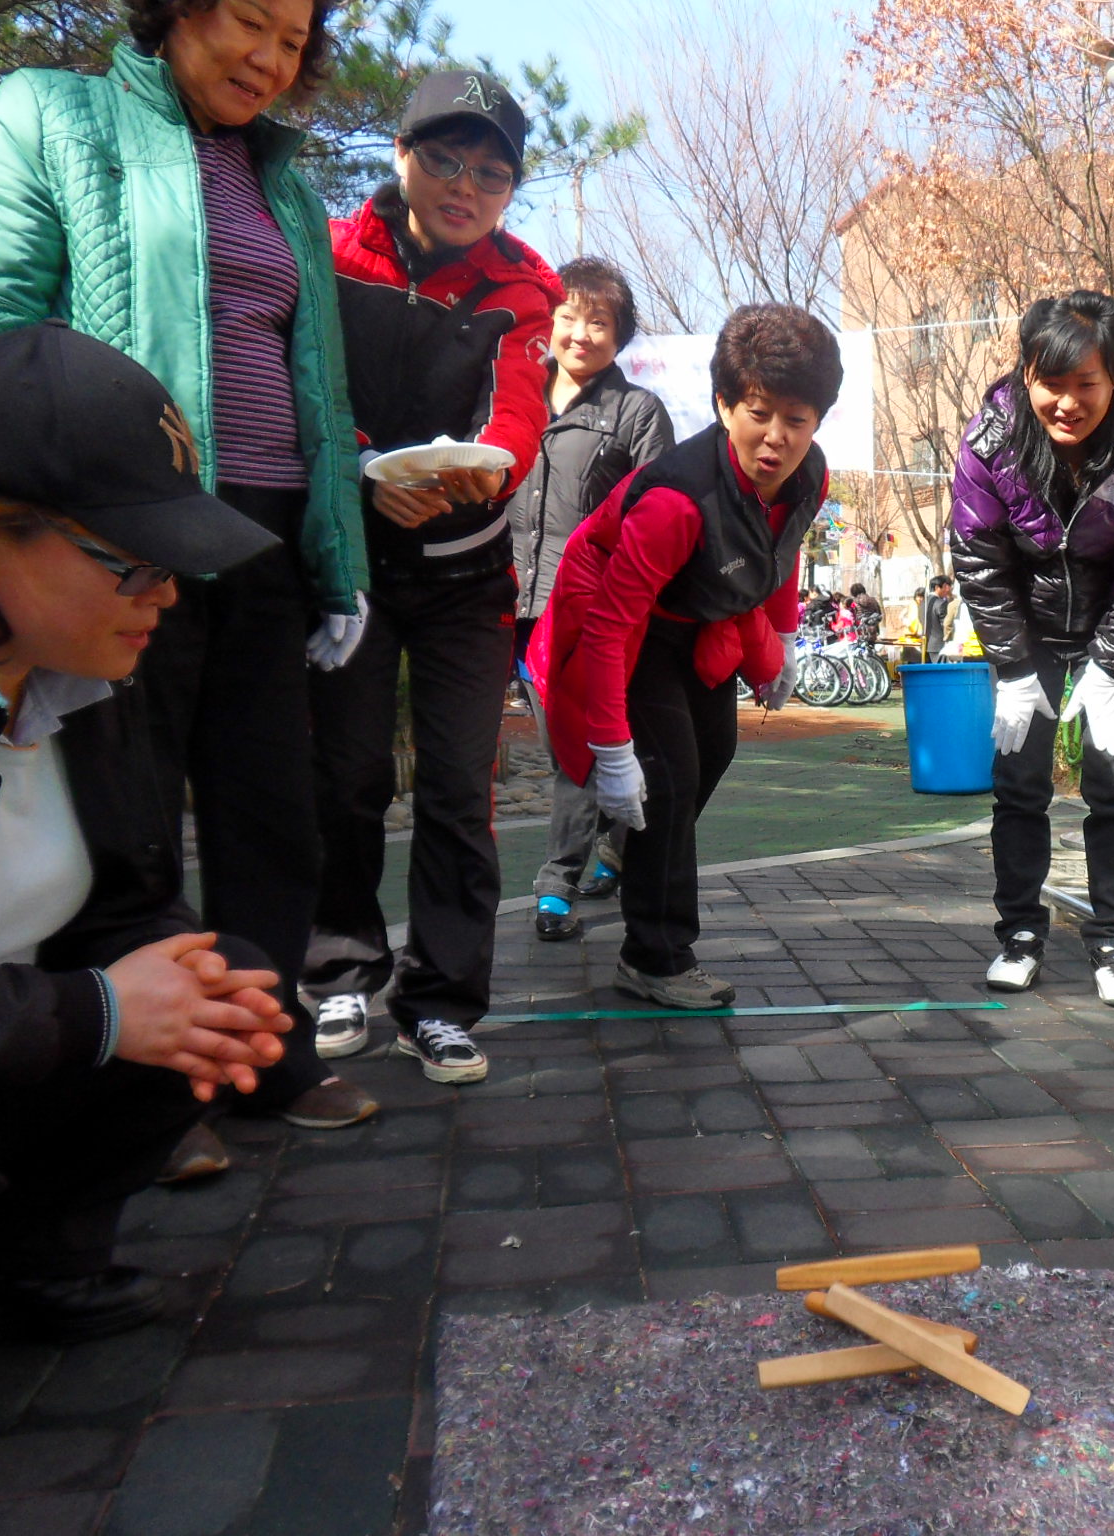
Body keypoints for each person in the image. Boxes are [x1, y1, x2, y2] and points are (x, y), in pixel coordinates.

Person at [0, 0, 378, 1139]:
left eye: (294, 42)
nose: (268, 59)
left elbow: (316, 391)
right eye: (248, 20)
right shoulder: (52, 115)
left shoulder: (285, 183)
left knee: (274, 809)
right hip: (120, 537)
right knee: (121, 818)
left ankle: (261, 1055)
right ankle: (136, 1082)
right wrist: (4, 540)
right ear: (175, 8)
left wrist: (338, 562)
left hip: (265, 536)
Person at [0, 324, 293, 1342]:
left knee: (217, 976)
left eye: (173, 563)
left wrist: (182, 984)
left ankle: (20, 1268)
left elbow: (125, 898)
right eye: (130, 563)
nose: (164, 594)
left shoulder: (81, 668)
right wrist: (97, 1012)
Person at [301, 71, 563, 1084]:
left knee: (459, 786)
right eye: (447, 160)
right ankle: (337, 971)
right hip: (353, 564)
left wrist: (467, 475)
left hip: (465, 573)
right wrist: (368, 468)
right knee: (350, 773)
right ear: (402, 154)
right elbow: (310, 384)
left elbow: (518, 412)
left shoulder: (523, 287)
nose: (466, 186)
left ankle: (443, 1000)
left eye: (492, 173)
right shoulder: (329, 255)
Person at [539, 305, 840, 1008]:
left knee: (715, 749)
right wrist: (612, 751)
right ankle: (656, 957)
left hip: (704, 620)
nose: (777, 438)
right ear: (724, 405)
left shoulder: (810, 474)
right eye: (759, 413)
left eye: (797, 419)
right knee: (665, 777)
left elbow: (781, 551)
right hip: (630, 627)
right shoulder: (676, 500)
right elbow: (612, 627)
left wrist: (787, 637)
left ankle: (629, 848)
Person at [950, 290, 1114, 1009]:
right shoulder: (989, 438)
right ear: (1026, 374)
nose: (1067, 402)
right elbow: (978, 557)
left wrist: (1112, 667)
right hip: (1026, 627)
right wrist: (1015, 670)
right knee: (1020, 785)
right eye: (1052, 383)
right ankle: (1020, 934)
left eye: (1087, 384)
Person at [510, 257, 674, 942]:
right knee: (569, 744)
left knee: (576, 746)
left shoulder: (636, 412)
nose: (581, 334)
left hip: (588, 611)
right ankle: (614, 844)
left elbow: (659, 518)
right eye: (569, 317)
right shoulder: (511, 398)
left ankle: (555, 887)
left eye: (599, 322)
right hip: (510, 602)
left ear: (621, 333)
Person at [922, 575, 955, 662]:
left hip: (925, 646)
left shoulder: (923, 603)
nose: (948, 590)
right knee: (942, 674)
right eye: (946, 586)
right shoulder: (940, 604)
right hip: (939, 646)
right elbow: (945, 625)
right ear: (937, 587)